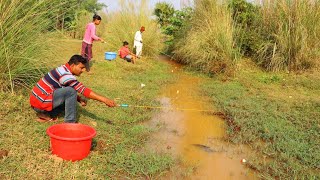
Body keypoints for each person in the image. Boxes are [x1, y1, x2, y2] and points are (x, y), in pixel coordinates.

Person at [29, 55, 116, 123]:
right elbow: (83, 90)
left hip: (36, 100)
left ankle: (45, 113)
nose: (83, 70)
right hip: (40, 102)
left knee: (70, 96)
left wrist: (78, 98)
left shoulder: (63, 68)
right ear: (73, 65)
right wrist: (104, 100)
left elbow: (65, 86)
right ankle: (69, 122)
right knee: (71, 91)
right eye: (81, 68)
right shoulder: (65, 75)